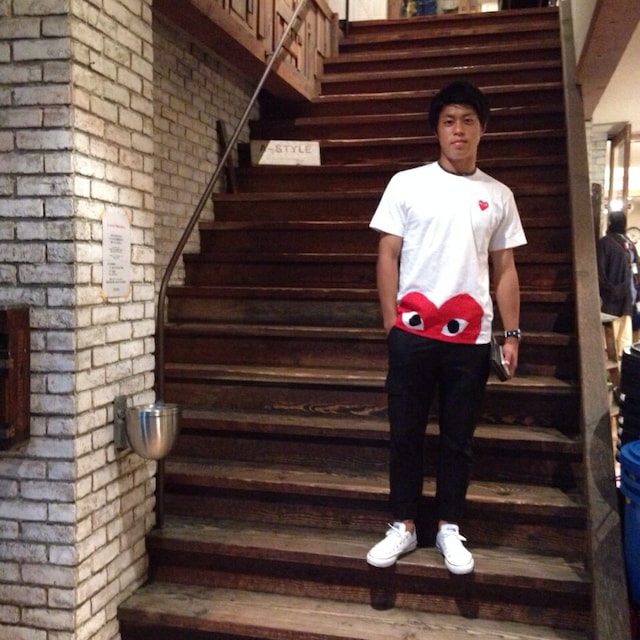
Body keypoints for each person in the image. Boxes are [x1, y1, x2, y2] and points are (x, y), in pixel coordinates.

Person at [366, 80, 527, 574]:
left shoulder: (498, 195)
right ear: (437, 130)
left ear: (482, 129)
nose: (458, 130)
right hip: (412, 334)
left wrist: (512, 333)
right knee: (405, 432)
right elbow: (387, 254)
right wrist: (392, 324)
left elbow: (505, 269)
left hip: (471, 340)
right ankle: (403, 525)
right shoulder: (406, 183)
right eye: (449, 121)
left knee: (459, 438)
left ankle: (449, 526)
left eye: (468, 121)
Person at [597, 210, 640, 358]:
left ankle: (622, 363)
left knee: (623, 334)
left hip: (624, 295)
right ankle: (618, 362)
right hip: (618, 296)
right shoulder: (610, 243)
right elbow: (601, 271)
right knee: (617, 334)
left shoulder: (623, 242)